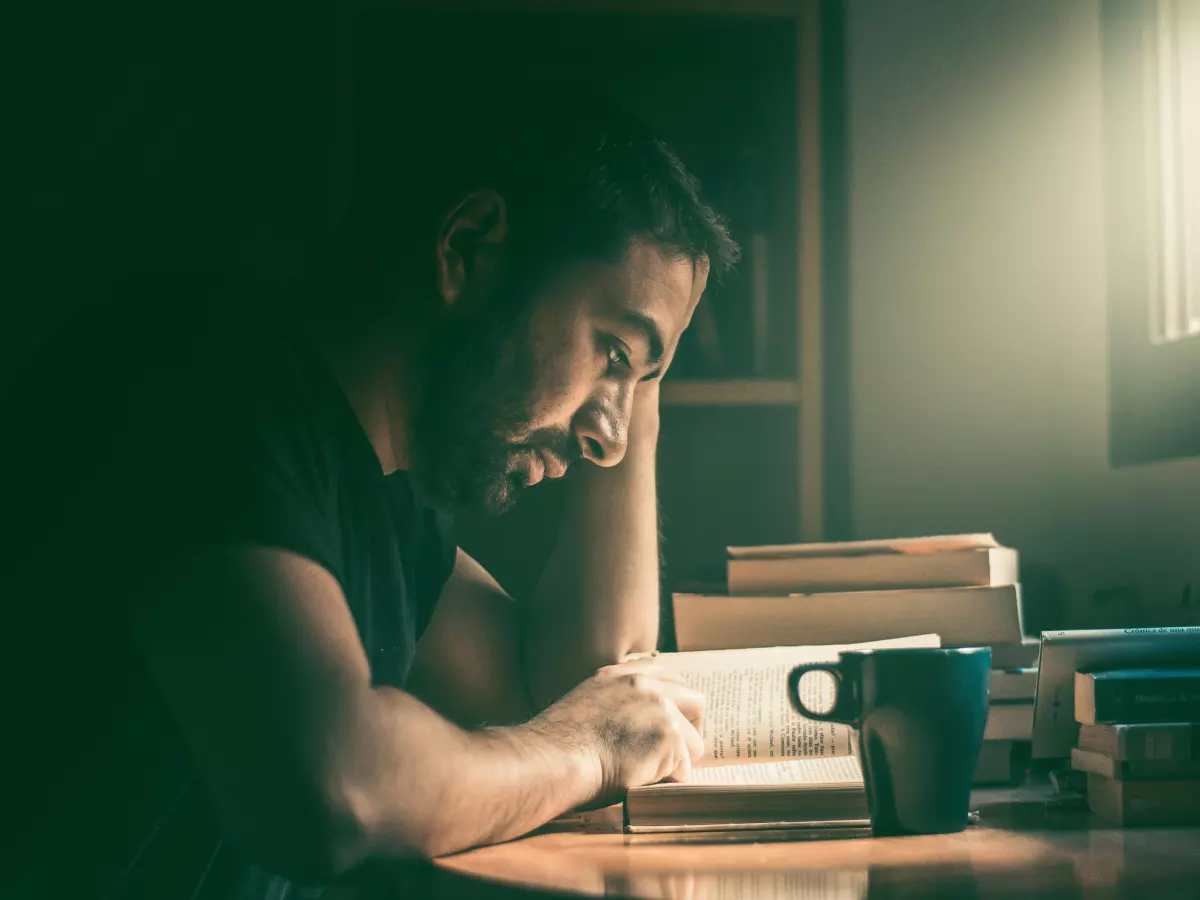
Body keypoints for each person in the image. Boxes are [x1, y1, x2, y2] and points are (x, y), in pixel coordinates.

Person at [2, 87, 738, 898]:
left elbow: (579, 687)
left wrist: (644, 368)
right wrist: (587, 751)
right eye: (610, 351)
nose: (612, 438)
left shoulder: (379, 509)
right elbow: (332, 788)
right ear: (465, 248)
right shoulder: (201, 375)